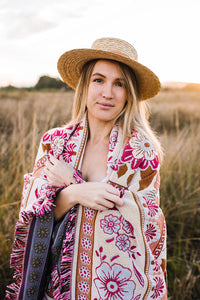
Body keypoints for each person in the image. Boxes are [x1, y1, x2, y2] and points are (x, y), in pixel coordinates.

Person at [6, 37, 167, 300]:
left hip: (113, 289)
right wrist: (75, 194)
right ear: (84, 86)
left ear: (130, 94)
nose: (107, 93)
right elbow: (31, 211)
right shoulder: (54, 143)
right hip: (53, 287)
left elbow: (145, 229)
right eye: (99, 80)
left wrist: (71, 182)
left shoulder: (141, 151)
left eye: (120, 84)